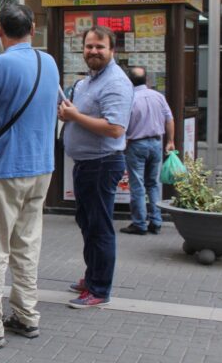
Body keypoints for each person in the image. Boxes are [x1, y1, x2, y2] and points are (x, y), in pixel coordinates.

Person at [0, 5, 59, 347]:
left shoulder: (1, 64)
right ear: (32, 28)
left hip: (6, 168)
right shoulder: (48, 62)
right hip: (42, 167)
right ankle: (25, 315)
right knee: (27, 245)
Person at [58, 26, 133, 309]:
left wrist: (75, 116)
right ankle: (91, 278)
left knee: (99, 228)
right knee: (88, 224)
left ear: (112, 50)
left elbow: (115, 129)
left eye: (100, 47)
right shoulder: (88, 81)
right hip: (86, 164)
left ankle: (99, 289)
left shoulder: (115, 82)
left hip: (102, 164)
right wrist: (67, 113)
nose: (93, 51)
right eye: (89, 46)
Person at [122, 66, 175, 235]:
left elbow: (124, 124)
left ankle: (139, 223)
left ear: (129, 81)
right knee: (152, 184)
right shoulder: (158, 96)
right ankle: (156, 221)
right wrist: (171, 141)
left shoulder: (130, 99)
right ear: (147, 80)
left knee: (137, 185)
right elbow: (169, 119)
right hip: (156, 144)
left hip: (136, 144)